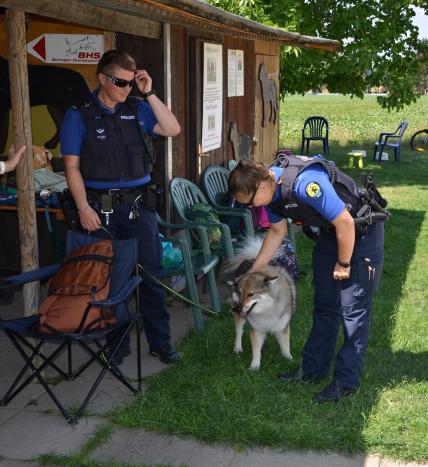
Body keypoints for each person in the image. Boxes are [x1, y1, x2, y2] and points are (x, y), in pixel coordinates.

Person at [228, 157, 385, 402]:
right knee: (325, 305)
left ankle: (345, 382)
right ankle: (313, 370)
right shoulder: (273, 194)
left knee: (353, 312)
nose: (250, 208)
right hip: (331, 234)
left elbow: (345, 222)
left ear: (261, 186)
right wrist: (252, 272)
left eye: (249, 203)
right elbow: (277, 232)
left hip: (359, 234)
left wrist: (343, 263)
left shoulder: (305, 184)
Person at [60, 50, 181, 365]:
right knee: (107, 279)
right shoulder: (79, 114)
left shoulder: (138, 109)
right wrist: (83, 207)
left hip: (138, 208)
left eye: (131, 82)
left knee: (152, 276)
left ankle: (161, 343)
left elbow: (172, 129)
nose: (127, 88)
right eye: (120, 82)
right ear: (102, 78)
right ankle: (116, 346)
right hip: (100, 210)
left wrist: (149, 92)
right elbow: (71, 167)